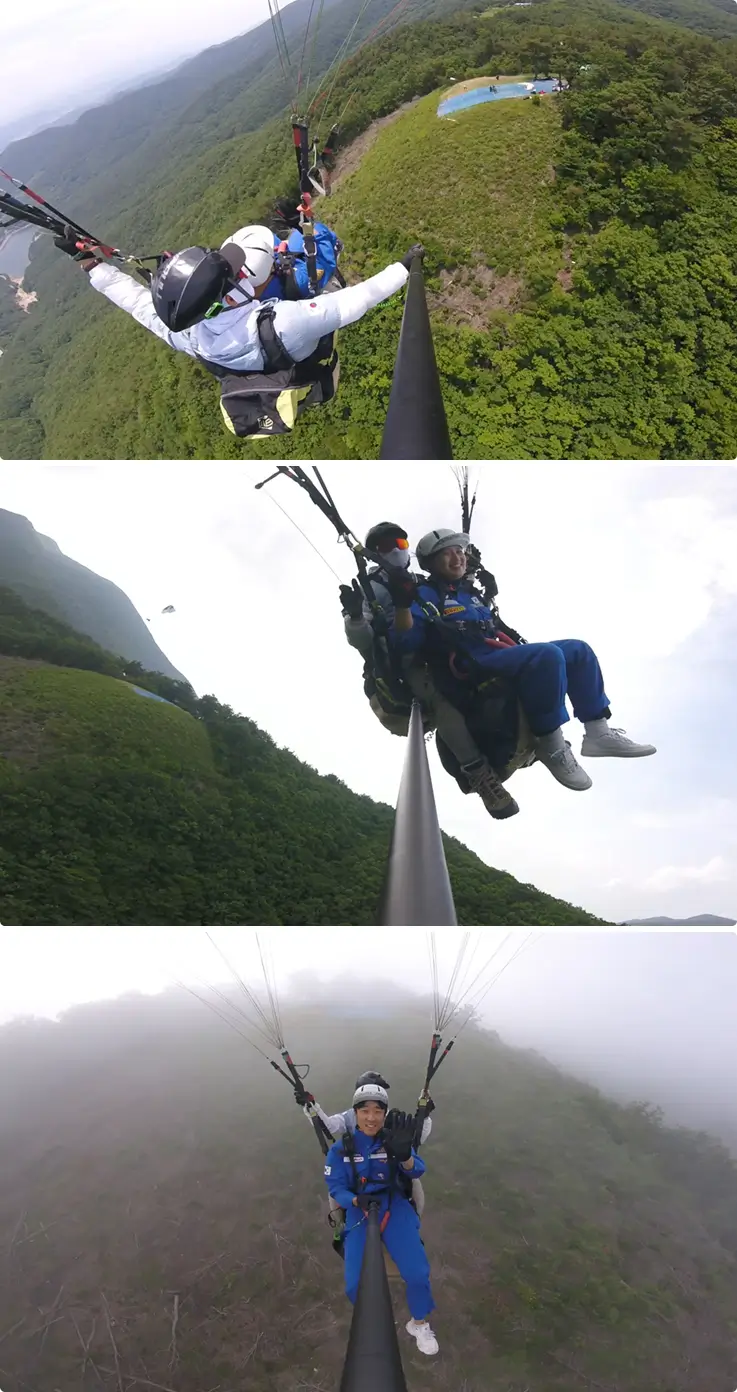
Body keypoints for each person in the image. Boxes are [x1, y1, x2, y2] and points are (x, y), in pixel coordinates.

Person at [54, 230, 424, 439]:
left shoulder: (191, 336)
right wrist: (404, 267)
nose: (242, 273)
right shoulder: (285, 320)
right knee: (313, 284)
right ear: (231, 293)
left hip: (265, 360)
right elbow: (355, 302)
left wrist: (91, 265)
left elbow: (137, 303)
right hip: (301, 350)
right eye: (237, 275)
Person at [386, 528, 656, 792]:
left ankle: (598, 732)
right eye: (447, 554)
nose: (457, 558)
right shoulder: (424, 594)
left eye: (460, 552)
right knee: (547, 656)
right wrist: (401, 605)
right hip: (472, 663)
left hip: (499, 651)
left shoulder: (469, 593)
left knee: (577, 650)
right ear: (431, 563)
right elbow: (406, 641)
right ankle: (552, 745)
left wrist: (486, 591)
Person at [340, 522, 519, 818]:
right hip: (404, 661)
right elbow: (361, 641)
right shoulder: (368, 587)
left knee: (511, 665)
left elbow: (450, 597)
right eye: (387, 546)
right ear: (374, 552)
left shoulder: (420, 581)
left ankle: (538, 735)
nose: (396, 549)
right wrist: (357, 615)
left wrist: (473, 578)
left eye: (401, 542)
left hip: (443, 649)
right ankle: (478, 773)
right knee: (440, 691)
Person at [324, 1082, 439, 1355]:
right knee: (355, 1284)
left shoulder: (393, 1140)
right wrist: (354, 1200)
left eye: (378, 1111)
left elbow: (417, 1171)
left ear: (385, 1114)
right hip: (358, 1208)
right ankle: (373, 1325)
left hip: (394, 1204)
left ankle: (419, 1323)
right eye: (365, 1111)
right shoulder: (341, 1149)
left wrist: (405, 1156)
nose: (372, 1117)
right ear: (355, 1114)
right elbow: (336, 1187)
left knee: (418, 1273)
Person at [303, 1069, 432, 1214]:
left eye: (377, 1110)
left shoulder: (390, 1117)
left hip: (389, 1171)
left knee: (412, 1182)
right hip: (356, 1169)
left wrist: (424, 1117)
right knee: (336, 1188)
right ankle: (339, 1226)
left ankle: (415, 1219)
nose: (371, 1117)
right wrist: (312, 1107)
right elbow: (327, 1126)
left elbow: (415, 1139)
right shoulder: (350, 1116)